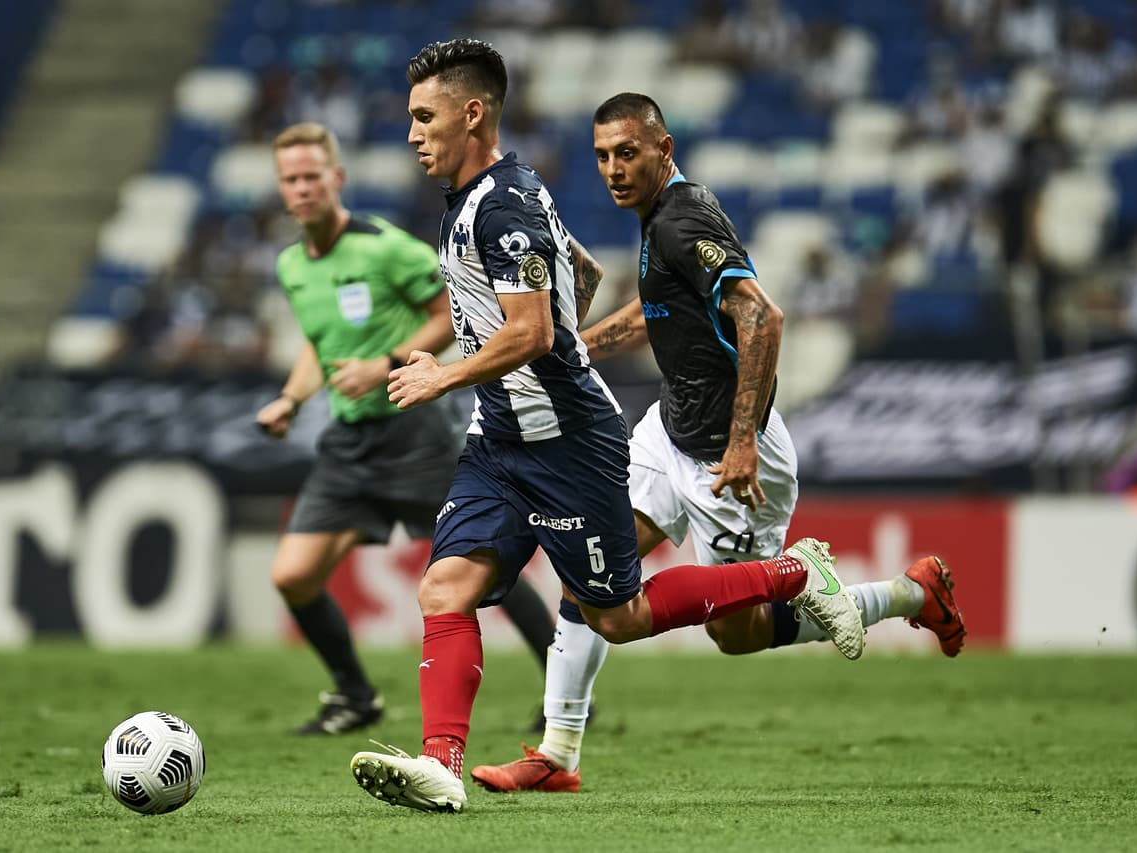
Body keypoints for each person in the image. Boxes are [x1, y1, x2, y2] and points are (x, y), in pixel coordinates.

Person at [348, 39, 865, 814]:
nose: (413, 133)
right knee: (444, 587)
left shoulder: (506, 205)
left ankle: (794, 575)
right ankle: (441, 764)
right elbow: (580, 274)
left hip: (566, 443)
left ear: (472, 114)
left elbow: (532, 332)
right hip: (500, 439)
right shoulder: (483, 196)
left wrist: (445, 373)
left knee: (616, 617)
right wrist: (562, 339)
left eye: (425, 117)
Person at [470, 93, 968, 795]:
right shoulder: (660, 219)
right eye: (602, 156)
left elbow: (762, 317)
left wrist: (739, 446)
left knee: (736, 633)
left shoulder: (683, 219)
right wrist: (578, 348)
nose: (613, 170)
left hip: (729, 458)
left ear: (663, 149)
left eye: (627, 153)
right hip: (668, 432)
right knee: (593, 570)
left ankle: (906, 594)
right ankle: (558, 753)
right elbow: (659, 308)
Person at [255, 122, 559, 735]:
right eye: (291, 179)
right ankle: (355, 696)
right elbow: (320, 344)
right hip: (351, 444)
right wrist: (291, 397)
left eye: (312, 176)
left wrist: (386, 363)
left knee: (488, 566)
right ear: (281, 189)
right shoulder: (291, 265)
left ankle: (564, 690)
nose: (303, 188)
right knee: (293, 575)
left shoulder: (384, 247)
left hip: (417, 434)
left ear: (337, 179)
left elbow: (452, 311)